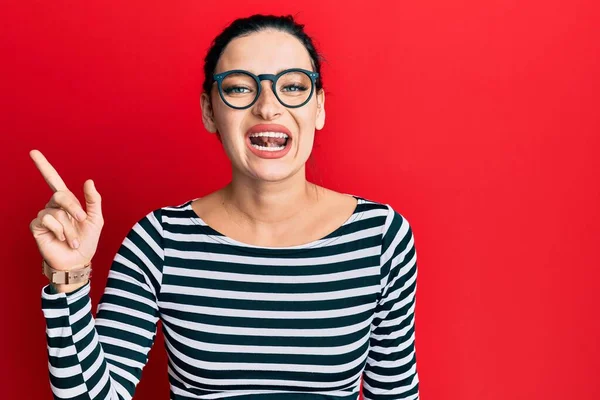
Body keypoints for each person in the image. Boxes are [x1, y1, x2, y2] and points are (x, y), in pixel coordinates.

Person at [29, 14, 419, 400]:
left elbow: (396, 393)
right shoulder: (160, 240)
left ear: (318, 107)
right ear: (209, 111)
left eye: (294, 86)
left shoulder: (381, 237)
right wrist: (68, 279)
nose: (268, 107)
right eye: (238, 88)